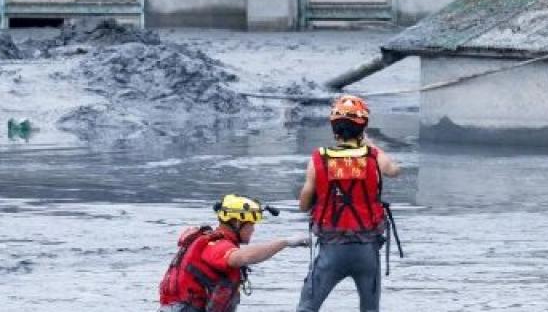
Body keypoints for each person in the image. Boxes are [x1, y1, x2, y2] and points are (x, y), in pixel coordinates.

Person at [297, 94, 402, 312]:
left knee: (307, 308)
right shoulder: (374, 157)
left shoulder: (318, 159)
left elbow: (304, 205)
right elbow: (395, 170)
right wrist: (369, 143)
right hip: (367, 251)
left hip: (331, 250)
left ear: (334, 128)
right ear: (363, 127)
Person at [159, 194, 309, 312]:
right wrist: (285, 242)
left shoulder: (213, 241)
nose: (253, 230)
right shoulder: (217, 245)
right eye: (250, 225)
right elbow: (242, 257)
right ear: (237, 223)